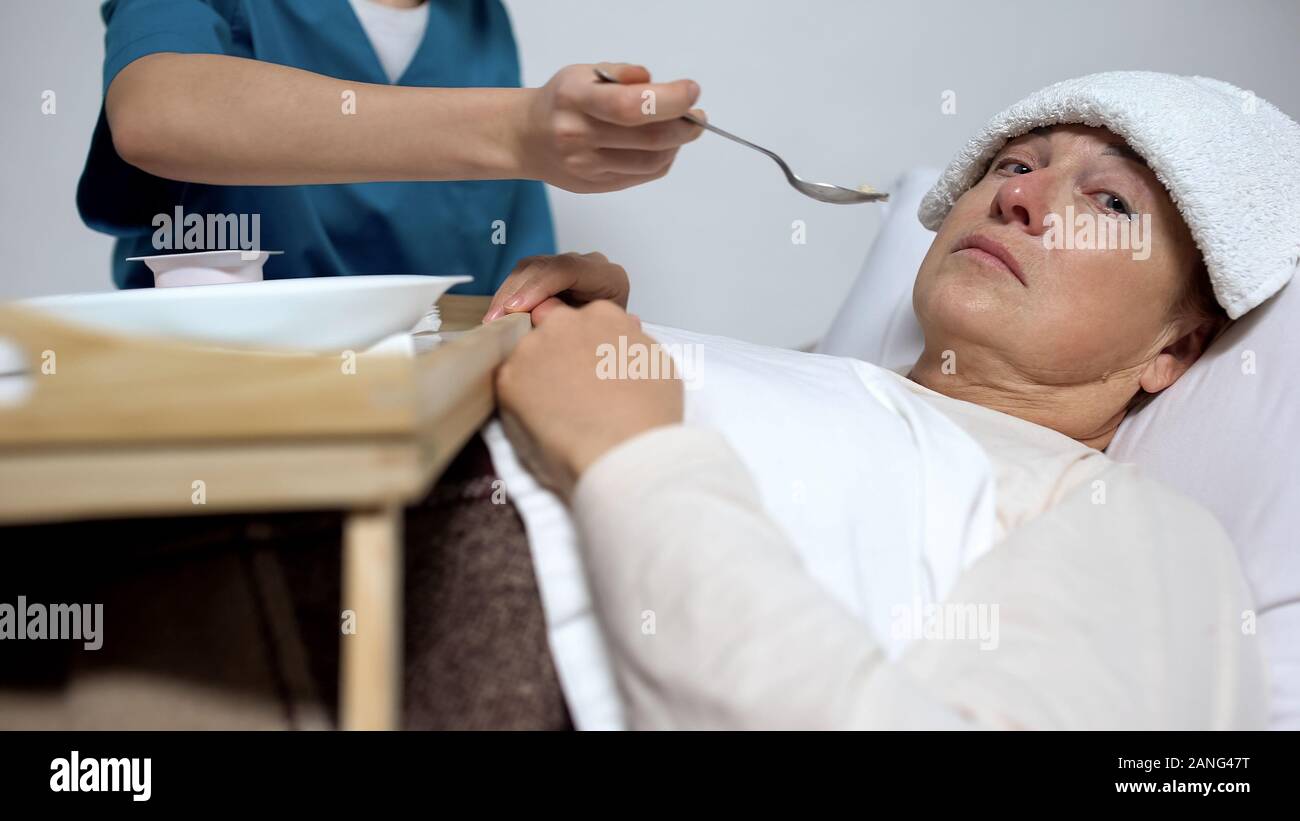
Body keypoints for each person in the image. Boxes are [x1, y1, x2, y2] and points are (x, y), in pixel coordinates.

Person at [486, 70, 1299, 726]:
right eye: (1015, 164)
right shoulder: (838, 385)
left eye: (1110, 202)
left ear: (1175, 349)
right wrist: (623, 342)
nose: (1018, 196)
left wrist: (631, 455)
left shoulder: (1130, 523)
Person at [77, 0, 704, 292]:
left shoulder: (479, 20)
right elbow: (159, 112)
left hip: (424, 421)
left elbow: (498, 283)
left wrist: (569, 293)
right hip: (222, 411)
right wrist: (516, 130)